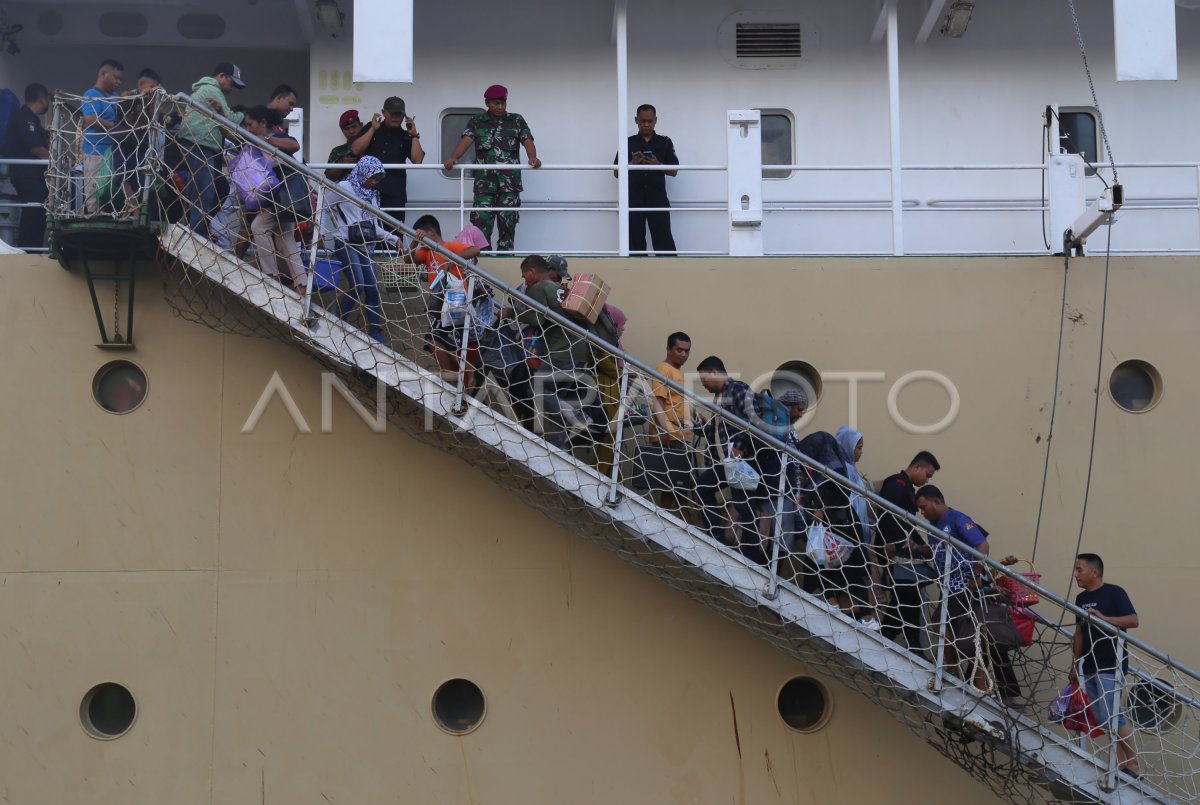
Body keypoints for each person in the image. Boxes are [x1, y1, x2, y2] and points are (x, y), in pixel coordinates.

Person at [443, 84, 540, 252]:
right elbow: (466, 140)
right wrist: (453, 158)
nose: (500, 107)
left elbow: (527, 140)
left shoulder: (516, 120)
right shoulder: (477, 121)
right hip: (484, 186)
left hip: (509, 186)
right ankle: (483, 264)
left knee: (507, 227)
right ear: (487, 103)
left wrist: (533, 157)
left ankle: (505, 261)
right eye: (496, 103)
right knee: (481, 227)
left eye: (503, 103)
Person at [1071, 553, 1140, 778]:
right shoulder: (1080, 599)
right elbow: (1079, 632)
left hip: (1112, 663)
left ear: (1094, 572)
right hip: (1089, 664)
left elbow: (1133, 620)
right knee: (1103, 716)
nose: (1076, 575)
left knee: (1112, 715)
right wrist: (1075, 663)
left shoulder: (1114, 592)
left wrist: (1103, 618)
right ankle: (1123, 765)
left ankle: (1133, 765)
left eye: (1079, 570)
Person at [916, 485, 991, 691]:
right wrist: (915, 547)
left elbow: (983, 547)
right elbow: (934, 551)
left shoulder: (958, 519)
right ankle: (973, 680)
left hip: (964, 585)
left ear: (937, 502)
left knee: (941, 624)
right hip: (948, 586)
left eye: (924, 507)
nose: (922, 513)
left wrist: (975, 575)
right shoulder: (934, 526)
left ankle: (952, 669)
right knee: (964, 635)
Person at [324, 155, 397, 342]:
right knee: (358, 284)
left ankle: (376, 333)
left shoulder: (373, 196)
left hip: (366, 246)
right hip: (346, 243)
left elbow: (373, 227)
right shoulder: (344, 188)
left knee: (372, 289)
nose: (374, 182)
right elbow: (324, 207)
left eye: (377, 179)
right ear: (363, 171)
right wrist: (322, 236)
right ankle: (336, 323)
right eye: (372, 177)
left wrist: (394, 239)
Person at [404, 215, 483, 386]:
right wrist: (414, 242)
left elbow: (475, 250)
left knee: (445, 341)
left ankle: (467, 376)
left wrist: (451, 258)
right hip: (437, 303)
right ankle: (455, 377)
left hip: (455, 301)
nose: (419, 238)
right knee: (437, 341)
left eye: (421, 234)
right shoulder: (425, 252)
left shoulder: (448, 247)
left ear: (431, 232)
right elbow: (408, 260)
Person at [876, 451, 941, 654]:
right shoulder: (898, 483)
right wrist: (890, 544)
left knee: (906, 597)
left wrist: (924, 548)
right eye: (927, 475)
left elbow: (907, 525)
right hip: (893, 550)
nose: (927, 479)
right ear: (917, 467)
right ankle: (910, 643)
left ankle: (892, 635)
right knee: (908, 595)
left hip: (902, 551)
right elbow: (887, 515)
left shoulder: (905, 487)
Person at [176, 62, 245, 237]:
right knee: (204, 194)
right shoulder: (213, 90)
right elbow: (230, 119)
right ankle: (196, 236)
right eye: (232, 83)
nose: (232, 88)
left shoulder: (204, 89)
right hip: (200, 144)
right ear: (222, 76)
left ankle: (195, 229)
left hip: (200, 144)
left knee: (217, 187)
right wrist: (244, 115)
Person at [243, 106, 306, 289]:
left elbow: (295, 145)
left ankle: (271, 276)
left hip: (281, 197)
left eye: (250, 124)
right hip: (273, 199)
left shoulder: (275, 137)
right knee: (286, 240)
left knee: (258, 226)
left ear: (262, 123)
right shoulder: (252, 141)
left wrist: (266, 139)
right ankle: (301, 284)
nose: (248, 129)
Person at [615, 104, 678, 255]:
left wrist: (658, 165)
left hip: (658, 199)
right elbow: (616, 173)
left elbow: (674, 171)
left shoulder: (665, 142)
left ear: (655, 120)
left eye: (650, 121)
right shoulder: (627, 142)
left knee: (663, 240)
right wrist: (631, 164)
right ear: (636, 120)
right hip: (634, 200)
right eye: (643, 121)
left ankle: (670, 273)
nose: (646, 124)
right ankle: (636, 274)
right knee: (634, 242)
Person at [350, 97, 424, 222]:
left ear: (404, 116)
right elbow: (356, 150)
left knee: (394, 235)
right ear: (383, 112)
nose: (395, 117)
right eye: (392, 113)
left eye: (399, 114)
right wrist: (373, 129)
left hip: (394, 194)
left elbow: (417, 161)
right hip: (369, 191)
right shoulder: (371, 128)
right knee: (368, 233)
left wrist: (414, 135)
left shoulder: (406, 136)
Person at [645, 332, 694, 513]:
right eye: (679, 350)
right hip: (669, 436)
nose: (683, 354)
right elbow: (658, 402)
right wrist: (664, 431)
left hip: (678, 435)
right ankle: (664, 516)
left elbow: (679, 402)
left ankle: (685, 519)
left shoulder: (677, 372)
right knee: (671, 484)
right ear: (668, 349)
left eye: (687, 351)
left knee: (679, 484)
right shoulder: (663, 369)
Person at [4, 83, 49, 248]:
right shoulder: (25, 118)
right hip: (28, 176)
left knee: (37, 213)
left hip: (32, 176)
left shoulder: (29, 119)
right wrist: (57, 163)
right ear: (42, 99)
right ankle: (29, 248)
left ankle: (33, 246)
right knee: (33, 213)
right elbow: (35, 148)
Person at [79, 58, 124, 213]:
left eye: (120, 79)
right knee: (95, 193)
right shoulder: (90, 94)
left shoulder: (116, 96)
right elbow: (90, 119)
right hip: (95, 152)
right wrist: (117, 127)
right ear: (104, 74)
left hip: (113, 153)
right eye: (115, 77)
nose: (118, 82)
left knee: (112, 191)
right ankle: (93, 219)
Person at [325, 109, 363, 181]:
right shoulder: (337, 151)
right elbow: (329, 177)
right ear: (342, 131)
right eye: (347, 129)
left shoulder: (372, 146)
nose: (351, 131)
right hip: (342, 191)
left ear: (361, 125)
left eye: (354, 127)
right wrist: (343, 164)